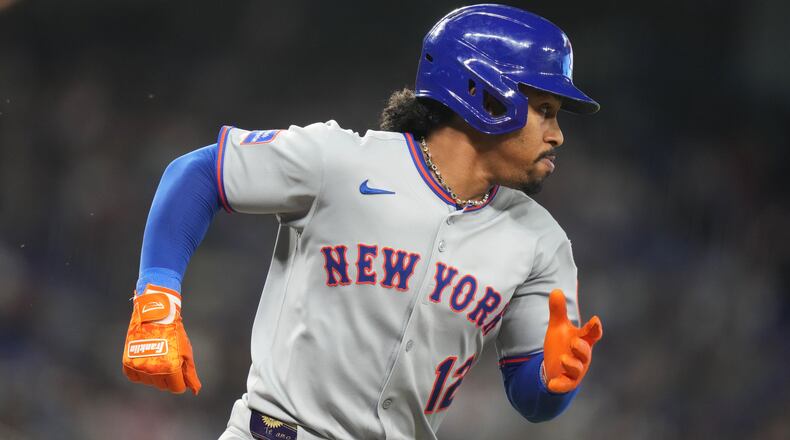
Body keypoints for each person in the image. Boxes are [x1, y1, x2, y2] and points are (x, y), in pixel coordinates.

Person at [121, 4, 603, 439]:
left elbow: (531, 397)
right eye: (544, 111)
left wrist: (553, 380)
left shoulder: (541, 242)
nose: (557, 135)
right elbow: (199, 173)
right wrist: (158, 294)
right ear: (488, 96)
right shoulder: (341, 161)